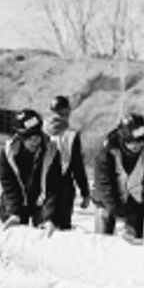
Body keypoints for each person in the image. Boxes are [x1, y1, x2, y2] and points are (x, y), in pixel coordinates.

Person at [92, 112, 144, 242]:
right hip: (107, 202)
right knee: (103, 242)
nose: (137, 145)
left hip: (134, 202)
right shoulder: (107, 152)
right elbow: (105, 187)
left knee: (133, 245)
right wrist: (119, 218)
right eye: (131, 142)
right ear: (123, 139)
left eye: (140, 141)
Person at [0, 108, 60, 230]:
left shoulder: (52, 152)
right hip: (16, 200)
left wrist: (49, 217)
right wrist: (14, 213)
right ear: (20, 137)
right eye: (29, 138)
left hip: (41, 202)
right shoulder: (8, 152)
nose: (35, 142)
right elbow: (9, 185)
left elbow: (53, 187)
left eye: (37, 137)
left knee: (44, 236)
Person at [46, 95, 90, 229]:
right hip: (48, 184)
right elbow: (78, 167)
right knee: (52, 226)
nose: (63, 116)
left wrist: (84, 191)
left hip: (59, 184)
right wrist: (85, 192)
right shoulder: (41, 132)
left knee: (53, 227)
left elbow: (77, 166)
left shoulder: (70, 135)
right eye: (61, 113)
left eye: (65, 113)